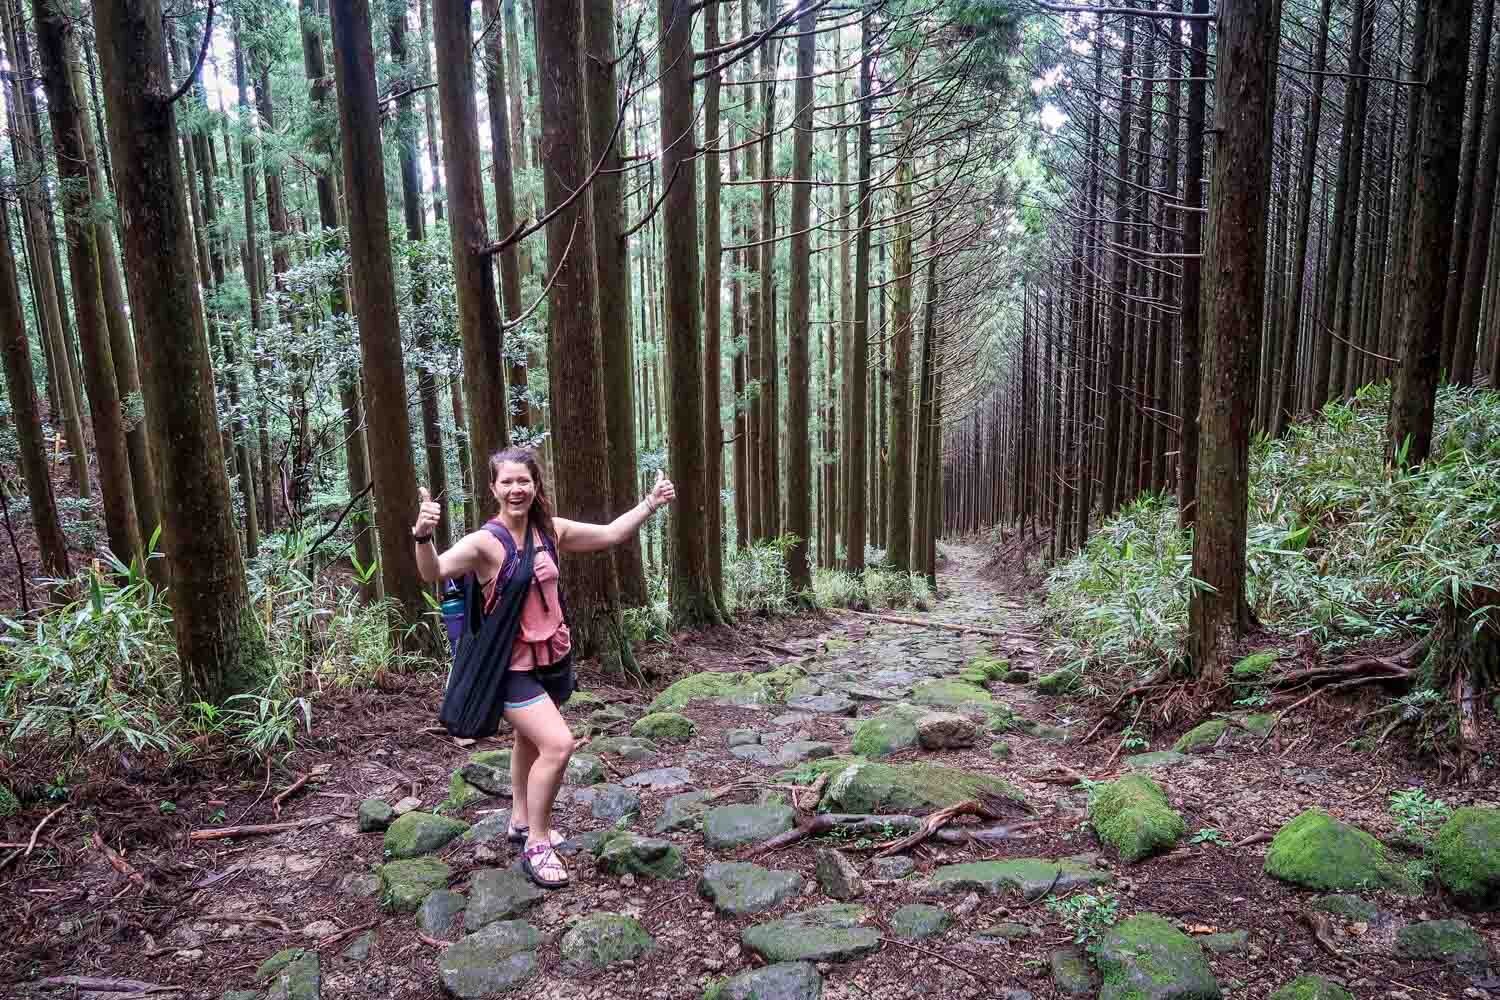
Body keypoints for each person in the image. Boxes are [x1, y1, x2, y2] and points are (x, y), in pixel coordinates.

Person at [412, 447, 674, 888]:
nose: (517, 489)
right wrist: (422, 536)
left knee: (528, 742)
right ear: (493, 488)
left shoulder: (550, 531)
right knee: (558, 745)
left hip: (549, 660)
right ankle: (537, 842)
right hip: (507, 668)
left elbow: (610, 534)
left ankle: (518, 819)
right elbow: (433, 571)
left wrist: (650, 504)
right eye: (507, 482)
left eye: (524, 481)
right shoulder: (485, 543)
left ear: (536, 485)